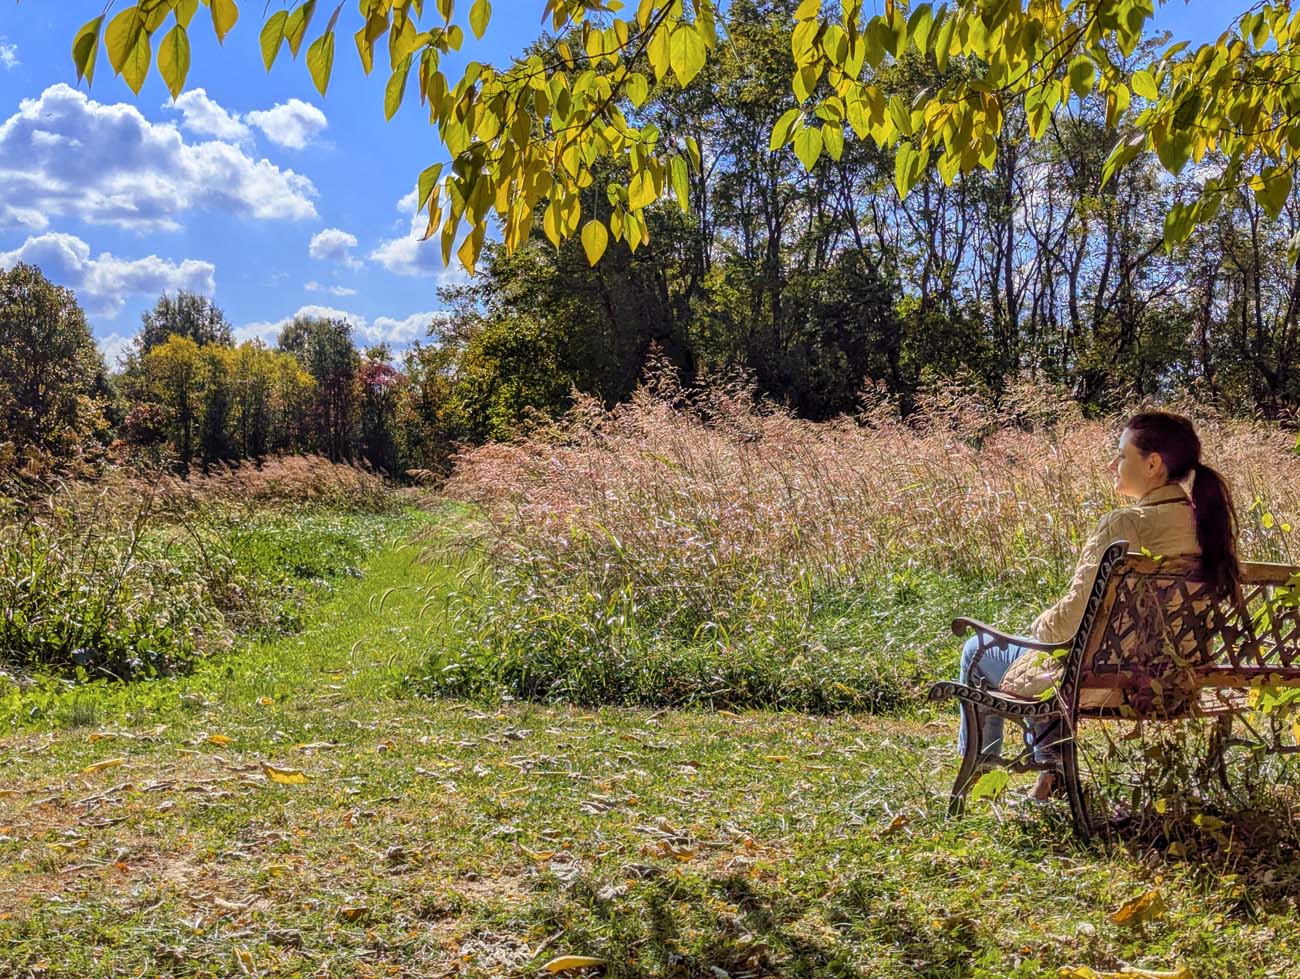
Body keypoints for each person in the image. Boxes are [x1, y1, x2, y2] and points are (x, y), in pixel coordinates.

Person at [956, 411, 1242, 800]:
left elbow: (1069, 624)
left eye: (1122, 455)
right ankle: (1048, 778)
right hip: (1174, 680)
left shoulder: (1125, 524)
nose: (1112, 464)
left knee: (979, 649)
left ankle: (986, 776)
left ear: (1153, 463)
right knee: (1050, 659)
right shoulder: (1209, 531)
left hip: (1108, 680)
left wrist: (1040, 623)